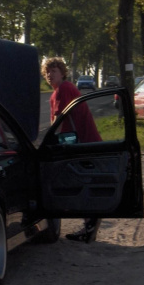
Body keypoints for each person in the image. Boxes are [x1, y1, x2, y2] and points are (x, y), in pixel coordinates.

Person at [42, 57, 102, 243]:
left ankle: (90, 223)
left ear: (62, 72)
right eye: (47, 72)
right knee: (80, 182)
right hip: (76, 144)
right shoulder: (56, 93)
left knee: (76, 183)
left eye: (54, 70)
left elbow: (58, 123)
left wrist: (46, 144)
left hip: (83, 144)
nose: (50, 75)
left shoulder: (64, 89)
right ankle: (89, 225)